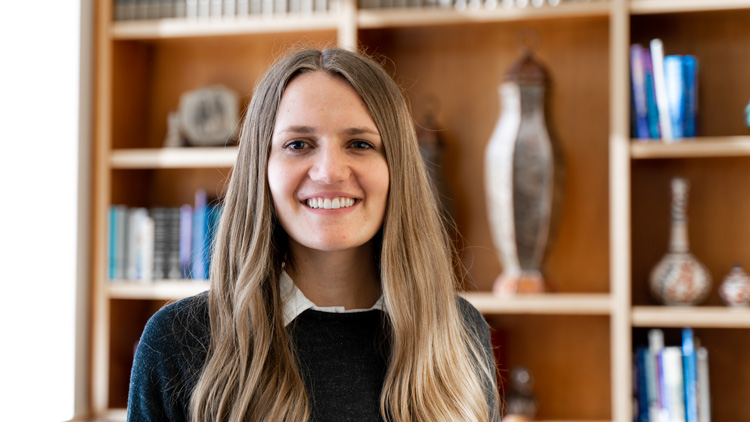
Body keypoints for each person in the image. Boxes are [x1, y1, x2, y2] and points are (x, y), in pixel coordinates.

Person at [127, 47, 500, 422]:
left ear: (397, 169)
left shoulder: (461, 332)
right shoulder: (176, 342)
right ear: (262, 169)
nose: (330, 172)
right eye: (298, 144)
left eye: (360, 144)